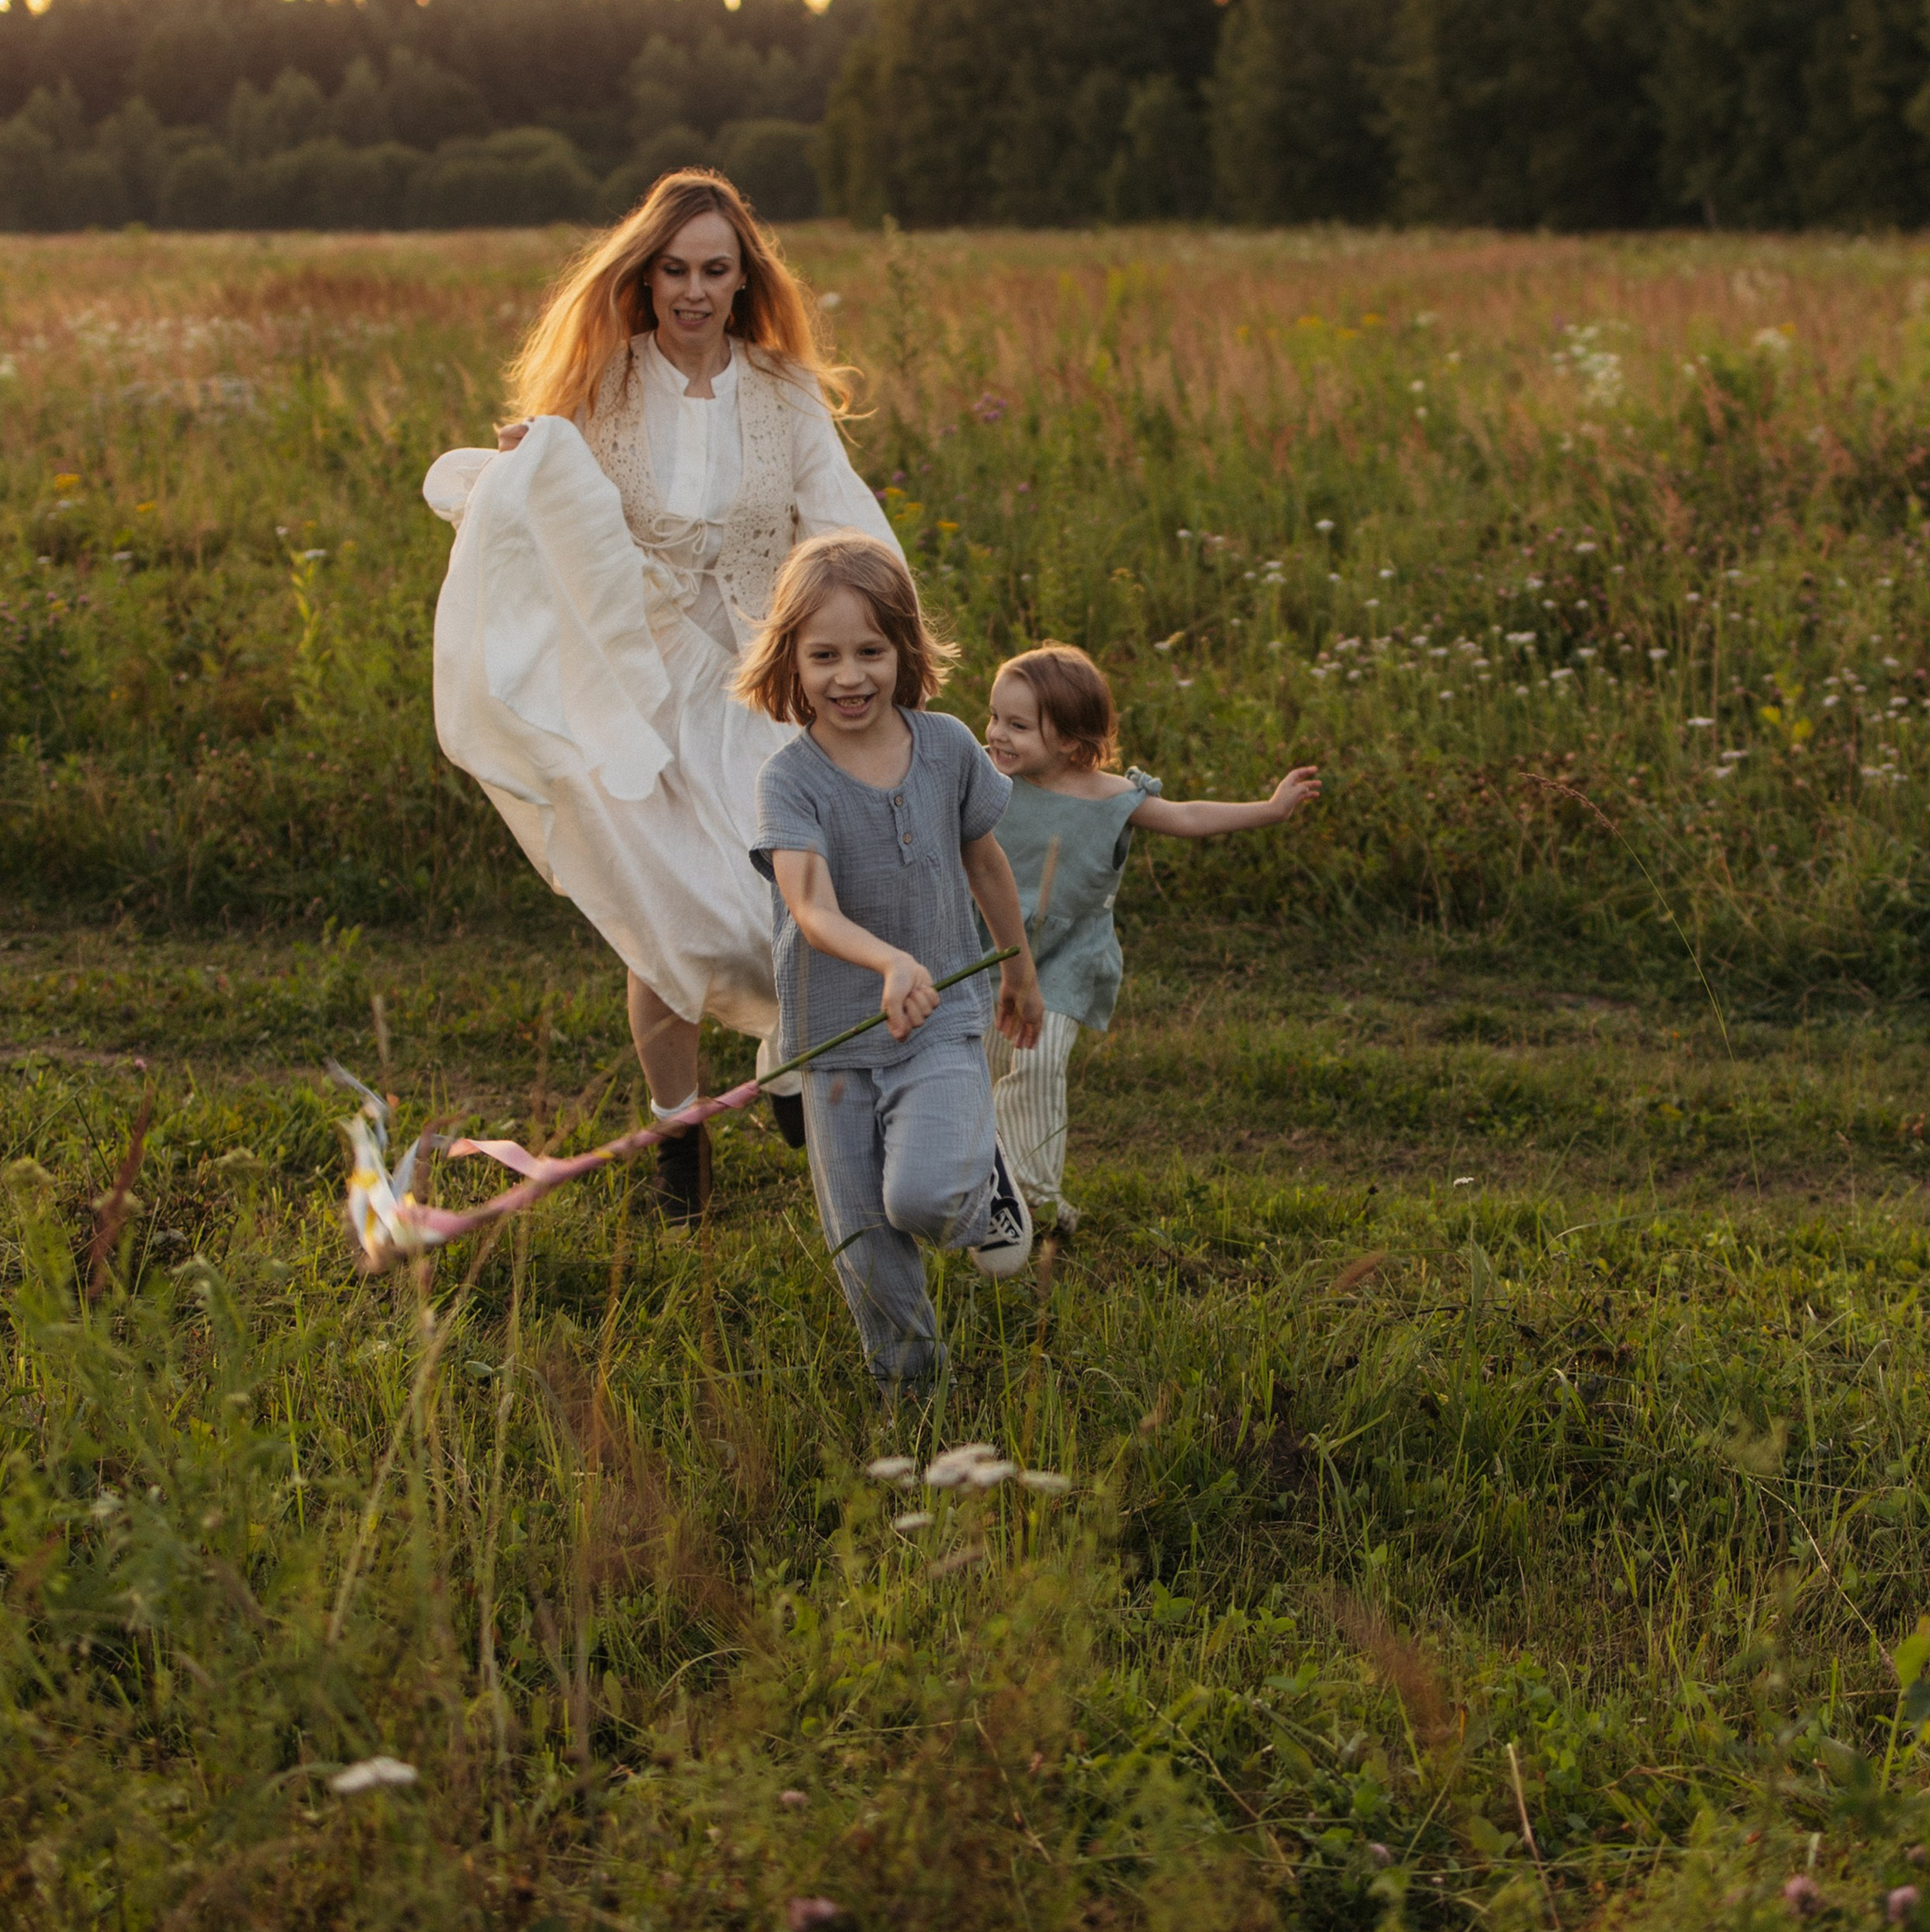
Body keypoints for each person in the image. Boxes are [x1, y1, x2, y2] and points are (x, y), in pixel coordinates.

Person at [423, 169, 898, 1220]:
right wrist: (526, 468)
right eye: (674, 269)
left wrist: (888, 633)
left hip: (765, 689)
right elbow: (551, 502)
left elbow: (845, 517)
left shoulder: (782, 393)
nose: (692, 289)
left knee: (796, 905)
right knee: (669, 924)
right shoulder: (601, 386)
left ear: (743, 279)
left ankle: (784, 1067)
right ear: (646, 278)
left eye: (714, 270)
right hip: (633, 690)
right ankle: (677, 1133)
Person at [736, 533, 1043, 1397]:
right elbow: (810, 907)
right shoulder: (789, 781)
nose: (849, 675)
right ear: (790, 662)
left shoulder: (946, 747)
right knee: (864, 1233)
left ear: (904, 649)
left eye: (870, 650)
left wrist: (1016, 969)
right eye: (823, 654)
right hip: (834, 1034)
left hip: (941, 1011)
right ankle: (912, 1389)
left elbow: (985, 861)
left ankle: (975, 1180)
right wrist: (886, 961)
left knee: (919, 1199)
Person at [983, 642, 1320, 1225]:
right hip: (992, 943)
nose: (997, 735)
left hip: (1064, 957)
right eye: (993, 717)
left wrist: (1269, 809)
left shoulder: (1111, 795)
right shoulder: (985, 779)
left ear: (1068, 738)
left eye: (1017, 725)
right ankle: (988, 1180)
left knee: (1034, 1064)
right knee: (986, 1065)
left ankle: (1035, 1193)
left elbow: (1187, 817)